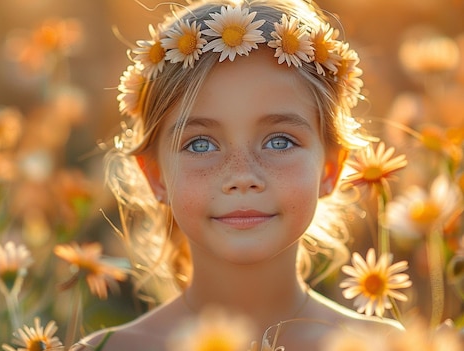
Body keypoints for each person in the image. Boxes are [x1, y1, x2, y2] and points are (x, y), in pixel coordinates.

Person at [73, 0, 402, 350]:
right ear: (155, 175)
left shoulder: (387, 346)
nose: (242, 176)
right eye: (201, 144)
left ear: (330, 168)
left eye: (279, 141)